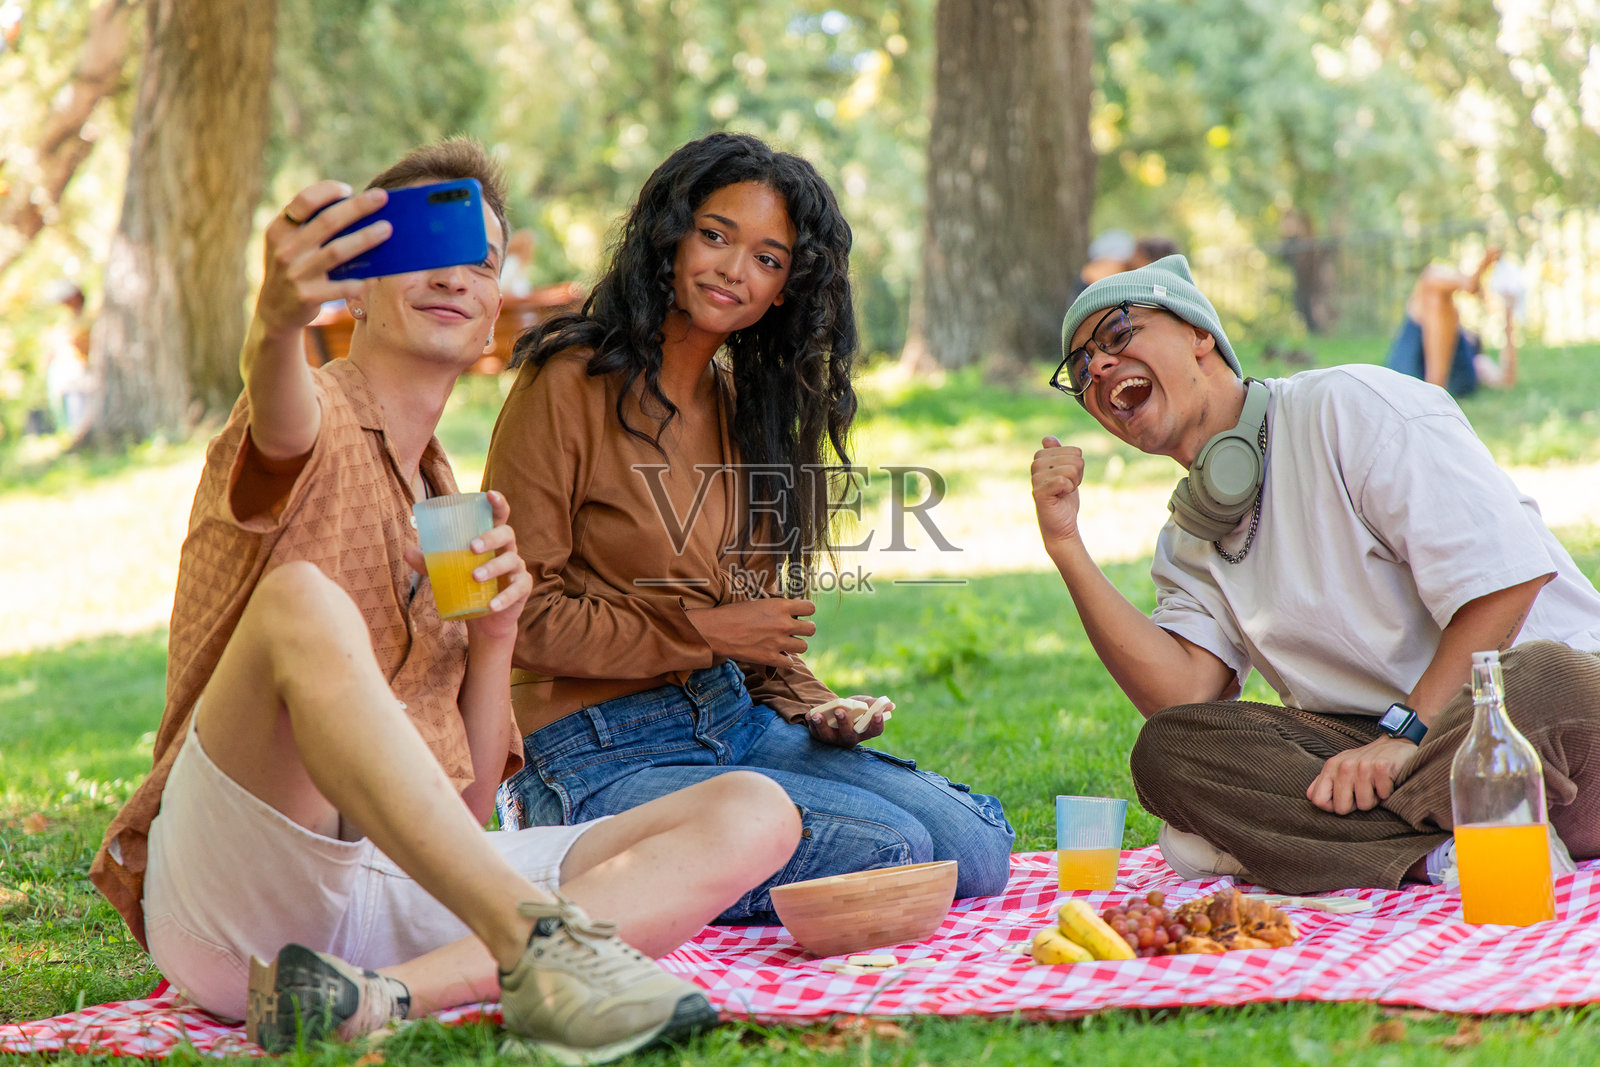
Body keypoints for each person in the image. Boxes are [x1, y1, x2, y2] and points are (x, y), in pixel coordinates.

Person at [90, 139, 801, 1062]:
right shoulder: (309, 410)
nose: (456, 275)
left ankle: (374, 999)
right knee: (300, 597)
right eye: (421, 250)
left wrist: (496, 636)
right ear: (358, 289)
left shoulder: (448, 508)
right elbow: (280, 412)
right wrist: (272, 322)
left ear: (491, 320)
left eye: (482, 260)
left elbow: (464, 812)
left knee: (756, 808)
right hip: (237, 890)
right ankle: (539, 949)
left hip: (380, 904)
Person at [481, 132, 1015, 921]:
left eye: (769, 258)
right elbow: (518, 619)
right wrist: (705, 633)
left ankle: (671, 864)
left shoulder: (742, 410)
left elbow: (750, 638)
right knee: (891, 847)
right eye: (717, 235)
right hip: (591, 749)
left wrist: (815, 706)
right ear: (671, 235)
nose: (736, 268)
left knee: (974, 844)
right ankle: (577, 859)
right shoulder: (568, 382)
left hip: (733, 718)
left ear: (785, 291)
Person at [1031, 254, 1600, 894]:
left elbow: (1509, 577)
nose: (1098, 367)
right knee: (1171, 751)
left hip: (1535, 718)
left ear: (1199, 336)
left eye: (1115, 335)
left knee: (1544, 677)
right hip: (1376, 755)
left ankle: (1342, 848)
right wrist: (1065, 544)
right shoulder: (1189, 537)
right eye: (1080, 370)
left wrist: (1406, 735)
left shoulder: (1349, 405)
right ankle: (1458, 847)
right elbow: (1183, 699)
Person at [1385, 247, 1518, 397]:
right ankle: (1434, 392)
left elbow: (1505, 381)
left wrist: (1509, 314)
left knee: (1433, 284)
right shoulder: (1431, 306)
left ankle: (1434, 392)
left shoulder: (1475, 357)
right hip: (1412, 367)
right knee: (1433, 286)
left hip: (1450, 378)